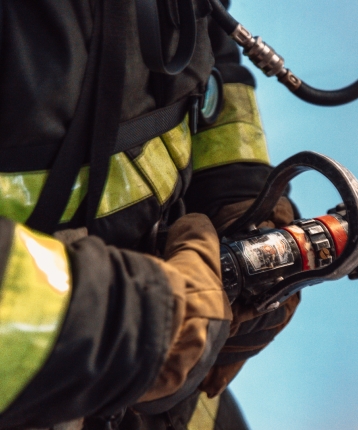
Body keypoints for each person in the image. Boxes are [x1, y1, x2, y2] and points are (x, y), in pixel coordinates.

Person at [0, 0, 299, 428]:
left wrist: (237, 192)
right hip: (54, 384)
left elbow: (209, 44)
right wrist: (137, 326)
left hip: (172, 380)